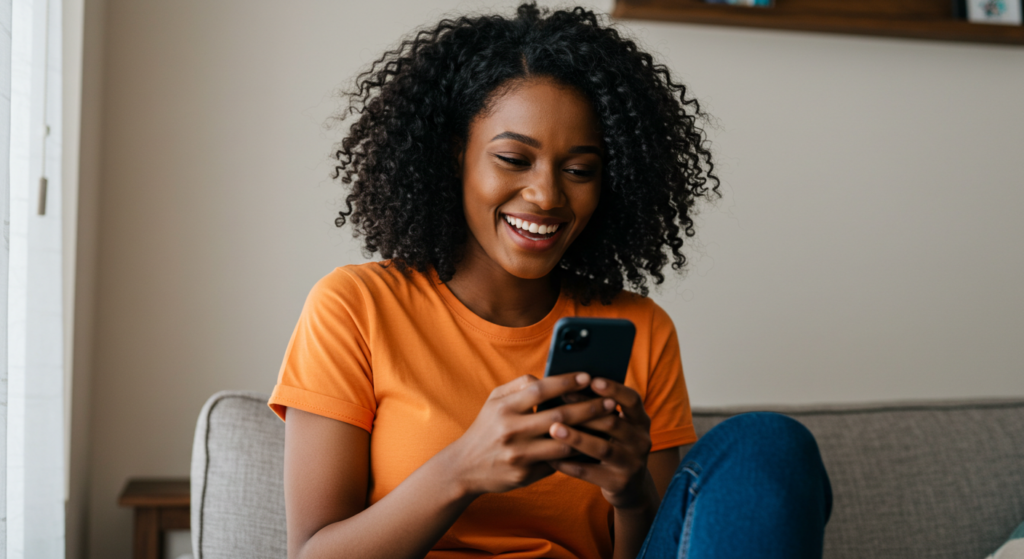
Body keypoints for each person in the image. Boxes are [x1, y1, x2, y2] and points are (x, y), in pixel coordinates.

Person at [268, 4, 832, 559]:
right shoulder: (356, 307)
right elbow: (312, 554)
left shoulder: (641, 328)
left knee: (769, 441)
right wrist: (461, 469)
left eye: (579, 170)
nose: (546, 195)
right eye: (514, 159)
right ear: (454, 156)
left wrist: (631, 492)